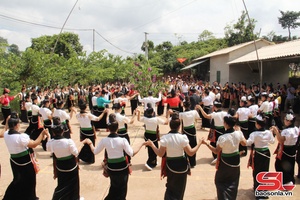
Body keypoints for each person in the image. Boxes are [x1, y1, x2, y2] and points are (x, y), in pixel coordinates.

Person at [84, 113, 144, 200]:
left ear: (108, 129)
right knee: (122, 189)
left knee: (114, 186)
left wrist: (90, 143)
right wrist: (141, 144)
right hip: (122, 167)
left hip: (111, 168)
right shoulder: (122, 140)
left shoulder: (104, 140)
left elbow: (95, 151)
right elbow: (131, 153)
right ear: (118, 128)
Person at [145, 112, 202, 200]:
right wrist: (200, 144)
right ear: (179, 126)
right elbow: (190, 153)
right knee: (180, 190)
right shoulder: (183, 137)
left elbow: (160, 154)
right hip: (182, 166)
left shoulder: (165, 138)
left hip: (170, 165)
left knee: (170, 188)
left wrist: (152, 145)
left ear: (170, 126)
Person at [3, 112, 47, 200]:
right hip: (24, 161)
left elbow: (5, 130)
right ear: (16, 125)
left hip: (14, 160)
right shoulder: (21, 137)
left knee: (17, 180)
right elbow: (34, 144)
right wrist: (42, 134)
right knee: (30, 180)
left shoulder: (6, 134)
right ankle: (30, 197)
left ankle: (10, 197)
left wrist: (7, 122)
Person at [202, 114, 247, 200]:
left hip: (226, 160)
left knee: (220, 181)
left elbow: (216, 150)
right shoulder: (239, 133)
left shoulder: (223, 137)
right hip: (236, 160)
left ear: (226, 124)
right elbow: (244, 143)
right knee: (234, 181)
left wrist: (206, 144)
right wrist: (240, 132)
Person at [46, 117, 83, 200]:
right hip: (71, 166)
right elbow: (76, 153)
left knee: (62, 183)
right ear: (63, 131)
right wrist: (81, 145)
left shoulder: (51, 143)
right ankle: (75, 198)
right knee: (74, 183)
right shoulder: (68, 142)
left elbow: (48, 149)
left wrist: (48, 136)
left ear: (53, 132)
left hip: (60, 166)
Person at [246, 113, 275, 198]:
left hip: (258, 154)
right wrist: (271, 132)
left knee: (257, 172)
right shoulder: (268, 132)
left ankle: (258, 191)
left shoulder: (254, 134)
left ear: (257, 124)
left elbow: (248, 142)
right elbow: (272, 141)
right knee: (264, 172)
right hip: (266, 153)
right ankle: (264, 191)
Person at [136, 104, 167, 170]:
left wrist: (138, 112)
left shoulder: (145, 119)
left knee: (149, 149)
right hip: (153, 136)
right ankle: (150, 163)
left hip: (147, 134)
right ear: (153, 112)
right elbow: (166, 123)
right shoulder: (156, 119)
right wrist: (168, 115)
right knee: (155, 148)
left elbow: (138, 119)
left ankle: (154, 161)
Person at [272, 111, 299, 185]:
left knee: (280, 165)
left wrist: (276, 132)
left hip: (285, 150)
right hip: (292, 149)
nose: (284, 121)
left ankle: (286, 181)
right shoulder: (296, 129)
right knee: (290, 164)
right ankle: (290, 179)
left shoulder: (287, 131)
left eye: (285, 120)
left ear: (289, 121)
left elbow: (281, 140)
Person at [199, 100, 227, 165]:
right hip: (223, 130)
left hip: (216, 130)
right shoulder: (225, 113)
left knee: (214, 144)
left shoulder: (215, 114)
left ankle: (216, 157)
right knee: (222, 143)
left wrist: (200, 108)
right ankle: (221, 156)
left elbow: (206, 116)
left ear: (214, 107)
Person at [178, 96, 201, 168]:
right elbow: (198, 117)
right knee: (193, 145)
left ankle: (186, 161)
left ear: (184, 106)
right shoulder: (194, 112)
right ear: (190, 105)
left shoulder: (181, 114)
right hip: (192, 130)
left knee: (185, 146)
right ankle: (192, 162)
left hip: (185, 130)